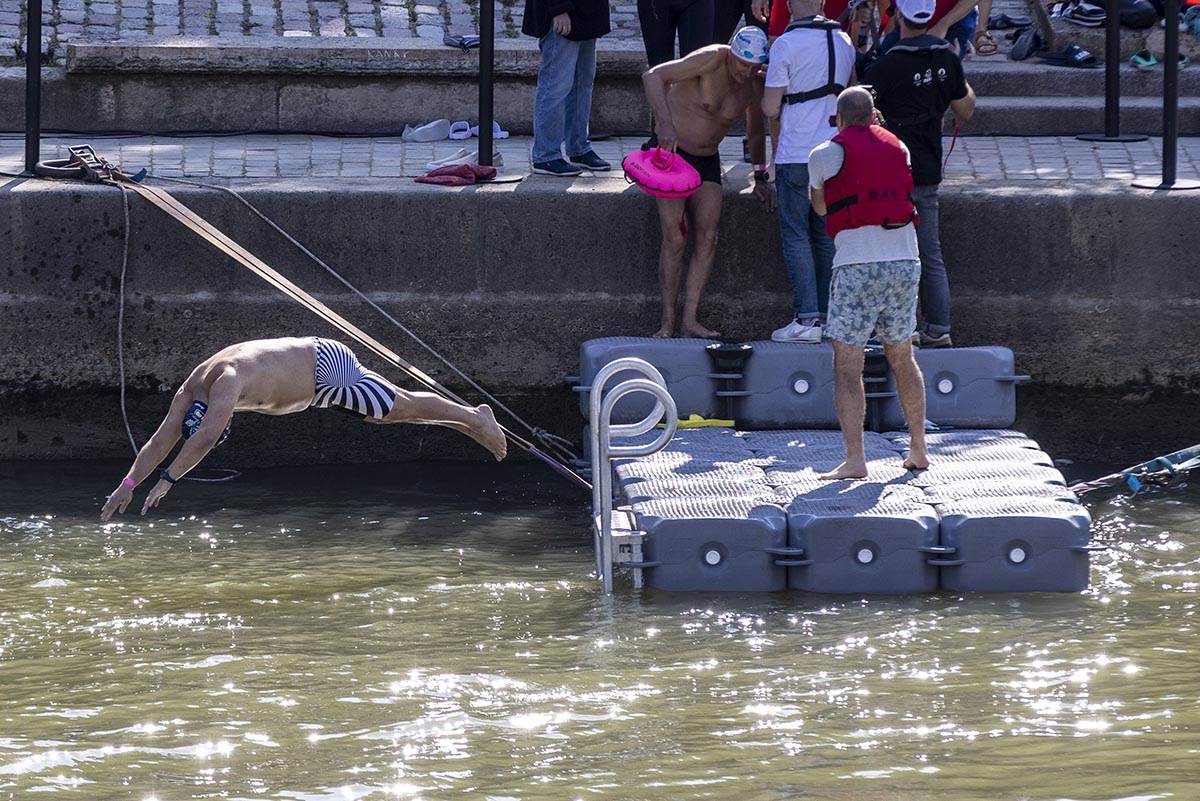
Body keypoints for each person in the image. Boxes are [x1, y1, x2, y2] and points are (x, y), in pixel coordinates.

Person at [99, 338, 507, 521]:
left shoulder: (224, 379)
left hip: (327, 369)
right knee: (392, 413)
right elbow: (160, 439)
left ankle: (474, 418)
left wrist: (168, 480)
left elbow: (203, 438)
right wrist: (130, 482)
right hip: (312, 389)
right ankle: (467, 421)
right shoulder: (190, 392)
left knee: (401, 408)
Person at [808, 87, 928, 478]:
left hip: (857, 266)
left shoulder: (824, 154)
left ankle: (856, 460)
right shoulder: (901, 148)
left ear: (839, 119)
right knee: (902, 356)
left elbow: (821, 206)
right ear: (874, 115)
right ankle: (918, 449)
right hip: (905, 262)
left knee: (847, 365)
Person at [641, 26, 777, 339]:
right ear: (733, 53)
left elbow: (757, 131)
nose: (746, 71)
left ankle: (690, 320)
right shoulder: (711, 58)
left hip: (707, 160)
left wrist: (760, 175)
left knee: (708, 235)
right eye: (743, 63)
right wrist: (664, 125)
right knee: (675, 237)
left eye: (754, 66)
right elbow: (653, 77)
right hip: (672, 154)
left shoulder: (753, 83)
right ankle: (667, 322)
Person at [864, 0, 974, 347]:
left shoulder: (888, 62)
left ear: (899, 15)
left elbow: (860, 109)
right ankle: (939, 328)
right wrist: (958, 80)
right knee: (929, 251)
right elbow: (966, 109)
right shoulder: (946, 56)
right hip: (928, 168)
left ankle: (899, 329)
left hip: (890, 171)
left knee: (890, 251)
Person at [761, 0, 855, 343]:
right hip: (835, 152)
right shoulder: (844, 41)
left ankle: (806, 320)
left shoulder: (785, 44)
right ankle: (831, 319)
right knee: (825, 233)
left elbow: (770, 108)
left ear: (787, 4)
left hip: (796, 153)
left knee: (795, 234)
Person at [524, 0, 613, 176]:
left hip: (587, 14)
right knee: (555, 86)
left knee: (582, 85)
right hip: (562, 14)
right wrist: (558, 9)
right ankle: (545, 155)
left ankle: (579, 148)